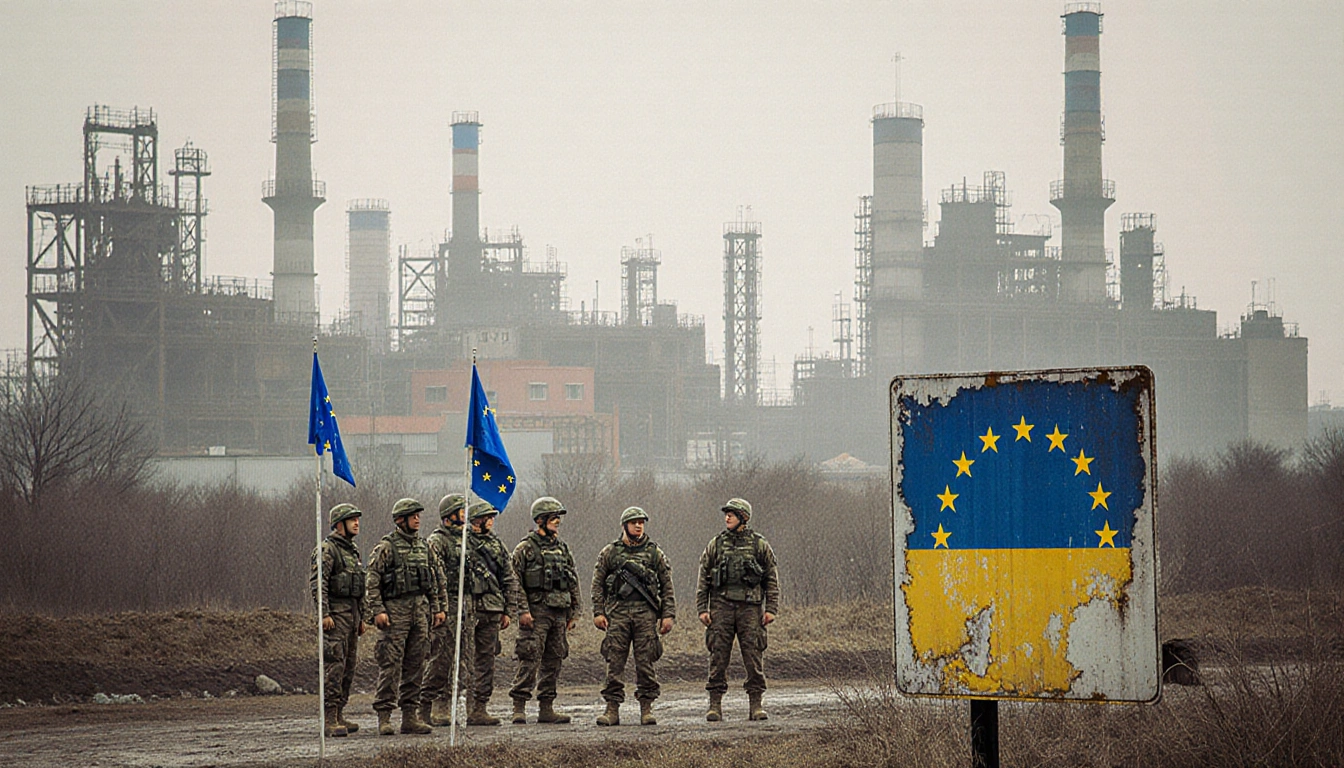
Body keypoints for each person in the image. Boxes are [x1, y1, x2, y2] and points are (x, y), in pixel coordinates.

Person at [364, 497, 446, 736]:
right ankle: (385, 716)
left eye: (419, 515)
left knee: (416, 664)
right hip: (395, 613)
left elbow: (434, 580)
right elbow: (372, 580)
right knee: (391, 664)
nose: (418, 519)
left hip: (420, 612)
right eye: (413, 516)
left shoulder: (424, 547)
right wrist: (377, 610)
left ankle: (410, 716)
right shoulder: (387, 547)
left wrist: (438, 608)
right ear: (400, 520)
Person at [695, 497, 780, 722]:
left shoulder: (759, 544)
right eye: (726, 514)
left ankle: (756, 704)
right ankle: (714, 705)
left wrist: (771, 608)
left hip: (750, 608)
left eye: (732, 514)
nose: (727, 517)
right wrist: (702, 608)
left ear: (744, 517)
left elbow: (771, 577)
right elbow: (703, 576)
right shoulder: (716, 544)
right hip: (721, 607)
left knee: (753, 656)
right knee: (718, 656)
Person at [590, 506, 675, 726]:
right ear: (624, 525)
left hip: (645, 614)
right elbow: (598, 584)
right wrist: (598, 612)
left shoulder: (654, 552)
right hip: (617, 613)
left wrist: (668, 615)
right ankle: (611, 709)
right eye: (634, 522)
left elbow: (667, 585)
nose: (638, 525)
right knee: (614, 662)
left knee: (645, 662)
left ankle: (646, 708)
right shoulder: (610, 552)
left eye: (641, 522)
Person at [507, 496, 581, 724]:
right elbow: (514, 581)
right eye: (553, 518)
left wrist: (574, 612)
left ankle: (546, 707)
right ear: (541, 520)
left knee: (554, 660)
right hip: (536, 613)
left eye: (558, 518)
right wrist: (522, 611)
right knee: (529, 658)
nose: (558, 522)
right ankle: (519, 706)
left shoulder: (561, 548)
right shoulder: (525, 549)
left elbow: (572, 579)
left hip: (559, 613)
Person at [464, 500, 524, 726]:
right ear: (477, 520)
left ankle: (480, 707)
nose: (491, 520)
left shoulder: (497, 545)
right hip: (468, 610)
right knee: (463, 660)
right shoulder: (463, 543)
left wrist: (508, 609)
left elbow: (508, 579)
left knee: (486, 660)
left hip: (491, 610)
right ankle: (461, 705)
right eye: (487, 517)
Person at [310, 502, 367, 737]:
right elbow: (318, 584)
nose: (357, 523)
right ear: (339, 524)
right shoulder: (327, 549)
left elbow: (359, 586)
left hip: (352, 614)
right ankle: (329, 718)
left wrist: (362, 617)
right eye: (352, 519)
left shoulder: (352, 552)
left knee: (349, 667)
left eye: (357, 519)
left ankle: (340, 712)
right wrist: (324, 614)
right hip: (336, 615)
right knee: (335, 665)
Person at [419, 493, 475, 727]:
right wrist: (437, 607)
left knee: (464, 660)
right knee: (441, 658)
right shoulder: (437, 541)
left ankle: (448, 704)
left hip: (466, 604)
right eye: (461, 511)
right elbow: (434, 578)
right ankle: (425, 706)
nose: (465, 515)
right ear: (449, 515)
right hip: (446, 604)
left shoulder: (466, 540)